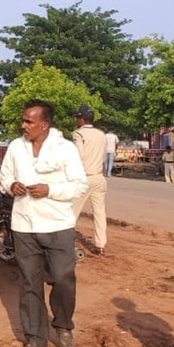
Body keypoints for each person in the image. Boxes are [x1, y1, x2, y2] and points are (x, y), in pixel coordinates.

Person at [0, 100, 88, 347]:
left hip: (58, 224)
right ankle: (35, 338)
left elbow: (79, 185)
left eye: (29, 121)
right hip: (24, 225)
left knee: (62, 278)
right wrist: (11, 184)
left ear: (44, 124)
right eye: (23, 120)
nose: (23, 125)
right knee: (29, 282)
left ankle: (62, 325)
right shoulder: (16, 146)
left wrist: (51, 190)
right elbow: (4, 176)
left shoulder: (65, 148)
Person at [70, 106, 108, 256]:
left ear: (82, 119)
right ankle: (101, 245)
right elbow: (104, 157)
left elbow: (78, 156)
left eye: (77, 118)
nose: (76, 120)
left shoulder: (79, 134)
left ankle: (66, 243)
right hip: (99, 176)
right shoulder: (101, 134)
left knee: (71, 212)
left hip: (84, 177)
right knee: (99, 213)